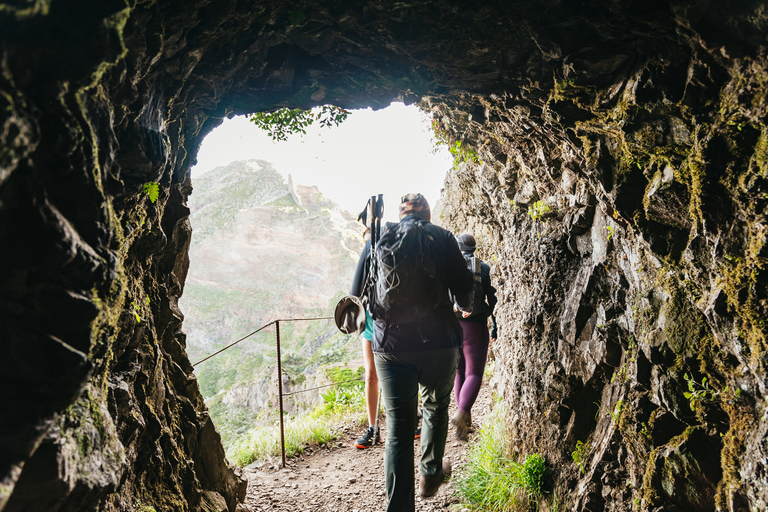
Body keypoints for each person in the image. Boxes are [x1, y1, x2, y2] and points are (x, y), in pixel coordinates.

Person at [352, 193, 473, 512]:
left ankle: (399, 508)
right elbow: (465, 292)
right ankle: (431, 472)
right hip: (439, 343)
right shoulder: (444, 238)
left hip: (391, 346)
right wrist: (463, 308)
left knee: (399, 430)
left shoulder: (379, 238)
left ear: (401, 214)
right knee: (435, 406)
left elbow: (355, 295)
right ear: (428, 214)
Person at [451, 233, 498, 441]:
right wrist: (493, 323)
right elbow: (492, 298)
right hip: (475, 326)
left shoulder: (450, 266)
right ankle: (462, 413)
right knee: (475, 374)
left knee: (459, 371)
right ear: (474, 248)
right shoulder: (483, 268)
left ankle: (464, 422)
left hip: (453, 326)